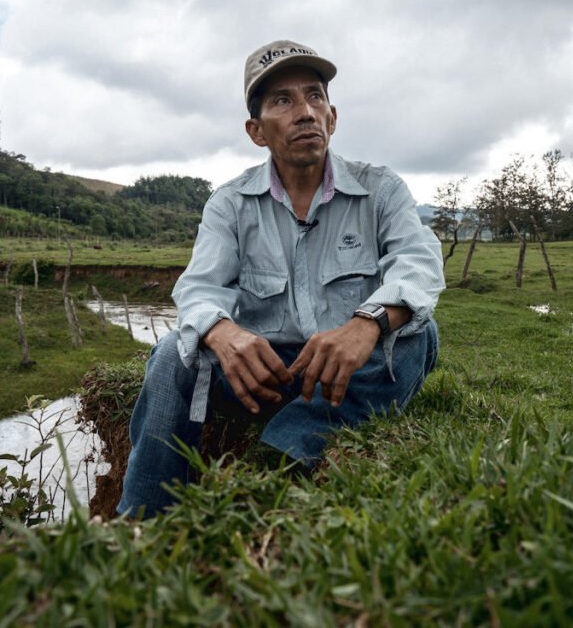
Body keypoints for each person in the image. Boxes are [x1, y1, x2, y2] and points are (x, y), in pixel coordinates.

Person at [118, 39, 444, 517]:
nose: (305, 112)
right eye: (283, 101)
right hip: (262, 376)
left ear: (333, 117)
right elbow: (199, 287)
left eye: (315, 97)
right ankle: (142, 520)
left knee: (420, 336)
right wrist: (223, 332)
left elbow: (417, 263)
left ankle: (278, 458)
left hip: (350, 372)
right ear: (256, 131)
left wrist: (366, 324)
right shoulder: (229, 203)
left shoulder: (382, 189)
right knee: (172, 354)